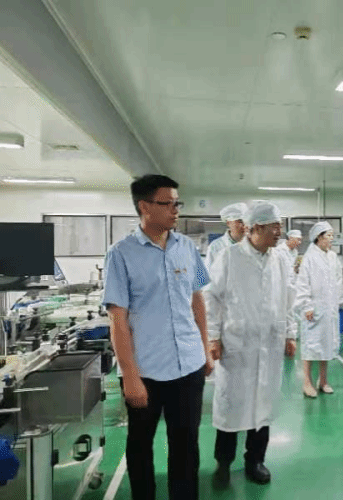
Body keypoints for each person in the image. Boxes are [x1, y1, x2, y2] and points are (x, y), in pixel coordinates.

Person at [102, 174, 214, 500]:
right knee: (140, 446)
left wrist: (205, 349)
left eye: (178, 203)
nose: (176, 210)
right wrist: (130, 376)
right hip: (146, 371)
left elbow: (197, 301)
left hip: (188, 366)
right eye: (168, 204)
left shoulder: (187, 248)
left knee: (186, 444)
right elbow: (118, 319)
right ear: (144, 206)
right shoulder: (121, 254)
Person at [204, 202, 297, 486]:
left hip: (269, 345)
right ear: (255, 228)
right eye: (274, 227)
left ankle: (255, 460)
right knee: (230, 407)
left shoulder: (280, 259)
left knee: (263, 407)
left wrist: (290, 333)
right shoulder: (229, 257)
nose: (279, 232)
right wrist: (213, 337)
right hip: (237, 346)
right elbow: (211, 297)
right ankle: (223, 462)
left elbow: (288, 298)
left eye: (280, 226)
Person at [294, 221, 343, 398]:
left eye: (332, 235)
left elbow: (338, 280)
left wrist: (338, 301)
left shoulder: (332, 257)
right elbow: (303, 284)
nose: (331, 239)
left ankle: (323, 381)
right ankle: (307, 383)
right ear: (318, 237)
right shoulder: (309, 257)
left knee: (326, 345)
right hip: (313, 310)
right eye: (328, 235)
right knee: (310, 346)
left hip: (329, 309)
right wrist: (307, 306)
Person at [204, 202, 247, 270]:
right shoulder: (216, 247)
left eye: (246, 221)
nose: (244, 225)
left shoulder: (254, 245)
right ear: (228, 223)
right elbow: (208, 272)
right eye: (240, 221)